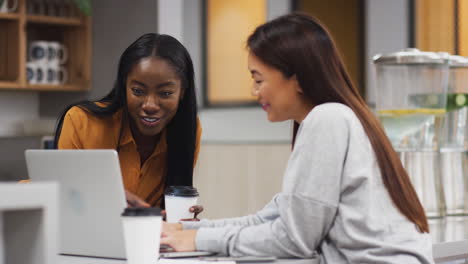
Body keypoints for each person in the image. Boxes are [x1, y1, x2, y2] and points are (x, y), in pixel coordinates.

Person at [160, 13, 433, 263]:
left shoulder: (328, 119)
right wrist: (186, 229)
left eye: (258, 79)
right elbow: (268, 220)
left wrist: (197, 239)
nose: (254, 91)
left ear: (298, 78)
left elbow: (293, 241)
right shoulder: (338, 118)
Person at [54, 33, 203, 215]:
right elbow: (60, 193)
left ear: (182, 91)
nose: (149, 105)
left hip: (146, 238)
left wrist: (181, 216)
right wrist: (108, 197)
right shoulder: (83, 121)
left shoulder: (188, 130)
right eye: (138, 91)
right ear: (124, 86)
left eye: (165, 93)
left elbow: (164, 213)